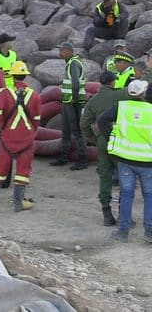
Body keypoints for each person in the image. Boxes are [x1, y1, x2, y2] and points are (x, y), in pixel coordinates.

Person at [97, 79, 152, 243]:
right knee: (149, 196)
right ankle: (149, 233)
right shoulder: (150, 110)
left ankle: (123, 232)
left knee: (127, 195)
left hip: (125, 159)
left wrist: (112, 136)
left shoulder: (121, 107)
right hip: (147, 161)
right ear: (144, 94)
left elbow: (101, 120)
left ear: (129, 92)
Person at [0, 61, 41, 211]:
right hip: (27, 139)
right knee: (23, 171)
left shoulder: (5, 94)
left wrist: (3, 127)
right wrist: (31, 131)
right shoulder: (35, 95)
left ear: (13, 76)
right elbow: (36, 119)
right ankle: (18, 203)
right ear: (25, 76)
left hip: (7, 138)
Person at [80, 71, 124, 226]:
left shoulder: (93, 101)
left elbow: (84, 124)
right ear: (113, 82)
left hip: (103, 142)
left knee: (105, 176)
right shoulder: (122, 95)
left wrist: (94, 139)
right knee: (125, 176)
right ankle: (124, 215)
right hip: (121, 142)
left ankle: (107, 213)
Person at [52, 42, 88, 170]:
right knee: (66, 129)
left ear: (68, 51)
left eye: (61, 50)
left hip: (73, 102)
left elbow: (75, 83)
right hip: (68, 101)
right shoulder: (70, 63)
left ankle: (82, 159)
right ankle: (63, 156)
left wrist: (74, 99)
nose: (60, 53)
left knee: (77, 130)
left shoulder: (74, 63)